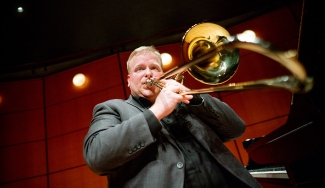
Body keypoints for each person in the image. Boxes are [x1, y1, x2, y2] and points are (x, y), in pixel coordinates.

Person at [83, 46, 262, 188]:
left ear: (162, 75)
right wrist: (158, 110)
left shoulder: (186, 102)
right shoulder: (113, 108)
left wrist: (196, 98)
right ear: (129, 80)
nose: (148, 73)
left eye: (154, 68)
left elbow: (236, 129)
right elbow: (97, 157)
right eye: (140, 69)